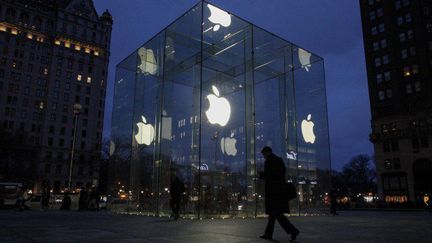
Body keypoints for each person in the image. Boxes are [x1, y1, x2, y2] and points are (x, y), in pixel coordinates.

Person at [259, 146, 299, 241]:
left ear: (267, 152)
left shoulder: (269, 161)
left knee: (276, 214)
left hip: (273, 192)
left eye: (264, 154)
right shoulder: (278, 160)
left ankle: (293, 231)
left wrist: (262, 174)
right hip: (278, 191)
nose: (263, 156)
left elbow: (270, 175)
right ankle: (269, 234)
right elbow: (280, 174)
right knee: (274, 215)